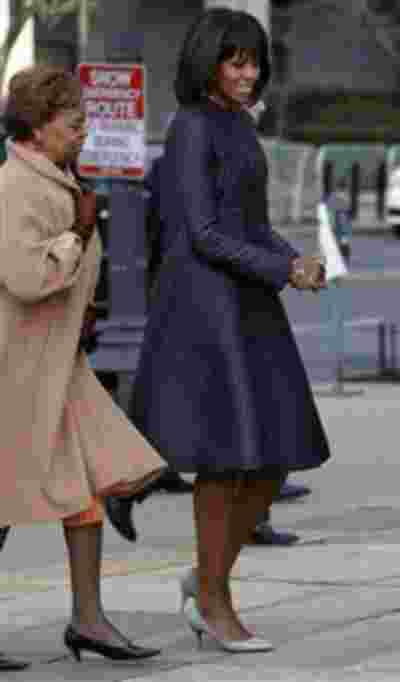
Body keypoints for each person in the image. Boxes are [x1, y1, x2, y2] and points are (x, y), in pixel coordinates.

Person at [125, 8, 331, 652]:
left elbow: (248, 222)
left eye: (254, 62)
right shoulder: (191, 128)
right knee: (224, 460)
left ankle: (204, 577)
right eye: (234, 60)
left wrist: (293, 258)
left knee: (272, 460)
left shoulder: (237, 127)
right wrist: (282, 268)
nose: (247, 73)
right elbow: (202, 234)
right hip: (206, 308)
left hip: (247, 300)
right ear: (207, 61)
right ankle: (214, 601)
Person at [0, 64, 166, 668]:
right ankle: (89, 620)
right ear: (37, 128)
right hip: (16, 370)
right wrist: (77, 232)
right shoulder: (15, 188)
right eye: (73, 124)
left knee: (93, 488)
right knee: (11, 495)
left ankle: (89, 620)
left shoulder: (56, 178)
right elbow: (25, 277)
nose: (85, 132)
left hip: (56, 364)